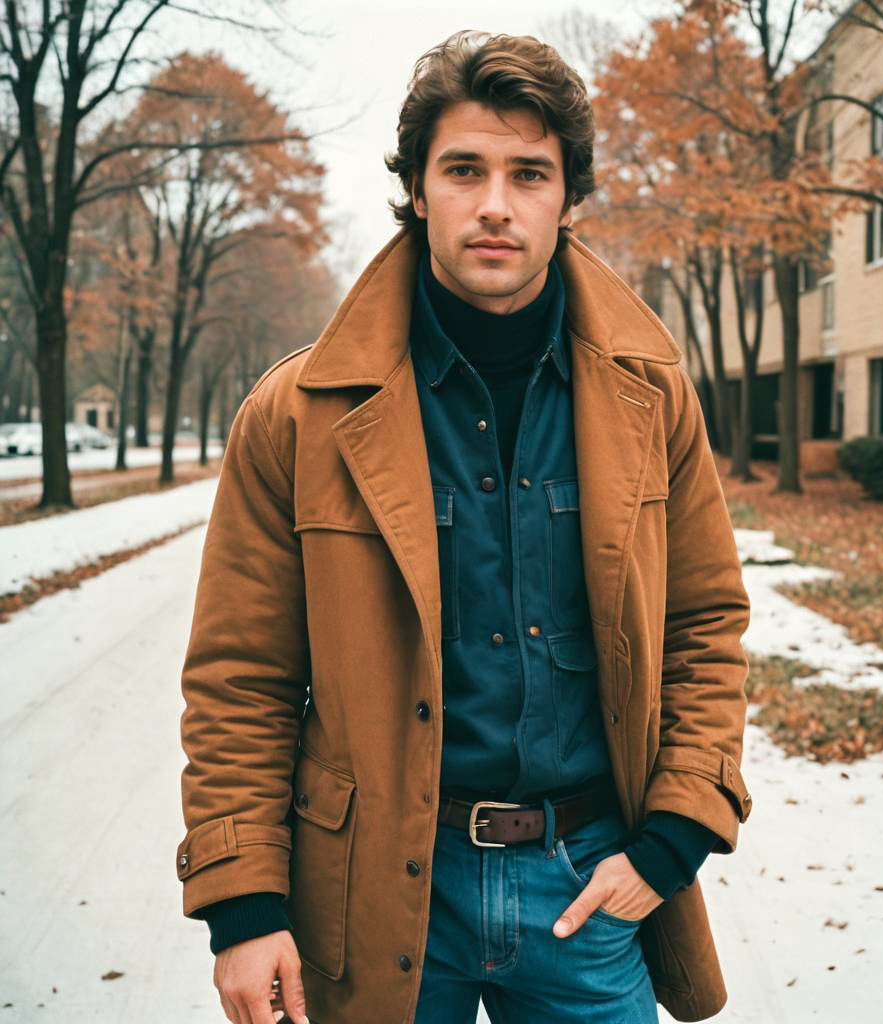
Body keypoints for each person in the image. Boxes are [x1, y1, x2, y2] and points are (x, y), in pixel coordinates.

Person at [176, 29, 753, 1024]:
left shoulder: (649, 397)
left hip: (587, 888)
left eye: (529, 173)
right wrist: (241, 902)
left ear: (569, 200)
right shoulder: (297, 414)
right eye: (463, 169)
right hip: (373, 894)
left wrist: (669, 842)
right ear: (414, 187)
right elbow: (242, 678)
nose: (495, 204)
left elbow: (705, 629)